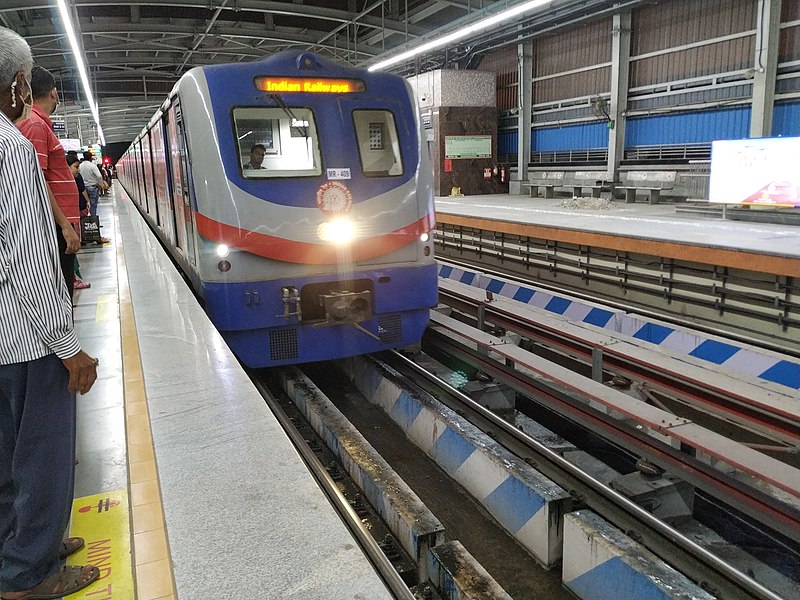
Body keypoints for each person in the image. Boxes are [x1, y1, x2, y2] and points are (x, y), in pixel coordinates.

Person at [0, 27, 99, 600]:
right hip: (25, 341)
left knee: (6, 452)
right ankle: (29, 573)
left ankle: (17, 545)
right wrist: (67, 347)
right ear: (17, 83)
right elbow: (26, 258)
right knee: (43, 455)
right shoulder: (11, 146)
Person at [16, 66, 80, 296]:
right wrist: (65, 226)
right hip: (53, 227)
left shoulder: (37, 124)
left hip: (54, 225)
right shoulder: (35, 125)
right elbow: (38, 180)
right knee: (61, 294)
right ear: (53, 93)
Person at [66, 155, 91, 289]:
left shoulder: (74, 178)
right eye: (75, 167)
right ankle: (73, 279)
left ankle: (74, 277)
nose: (78, 170)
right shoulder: (66, 180)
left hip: (75, 213)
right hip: (69, 217)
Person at [78, 150, 103, 215]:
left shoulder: (80, 166)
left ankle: (86, 221)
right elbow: (99, 176)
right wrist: (100, 183)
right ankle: (93, 221)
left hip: (83, 189)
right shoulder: (92, 166)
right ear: (91, 158)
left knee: (85, 206)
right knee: (93, 205)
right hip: (93, 188)